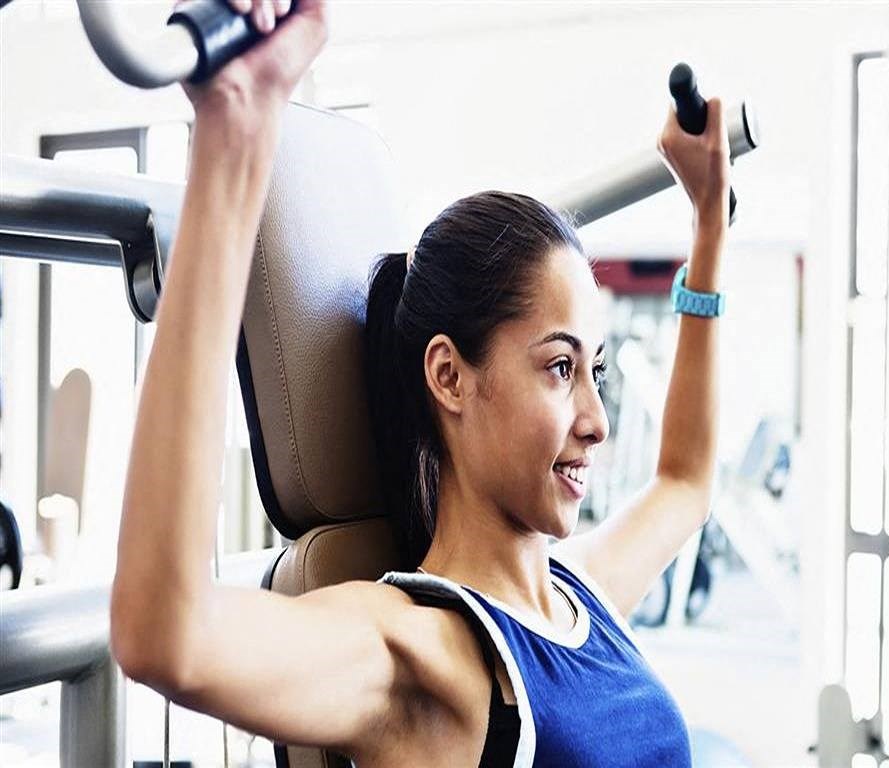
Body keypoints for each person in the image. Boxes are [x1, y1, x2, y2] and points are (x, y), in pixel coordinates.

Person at [110, 0, 729, 765]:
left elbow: (685, 482)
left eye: (593, 370)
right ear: (450, 376)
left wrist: (708, 227)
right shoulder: (421, 653)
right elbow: (165, 636)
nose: (597, 420)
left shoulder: (584, 596)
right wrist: (234, 135)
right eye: (561, 368)